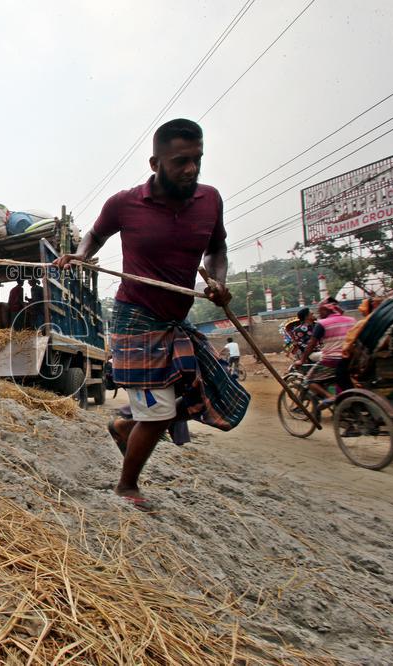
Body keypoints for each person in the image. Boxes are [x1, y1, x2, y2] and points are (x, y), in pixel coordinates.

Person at [53, 118, 249, 508]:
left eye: (197, 159)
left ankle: (126, 424)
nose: (191, 169)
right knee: (159, 414)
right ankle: (127, 485)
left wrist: (219, 281)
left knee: (199, 391)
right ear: (155, 163)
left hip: (176, 319)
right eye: (180, 161)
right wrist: (80, 255)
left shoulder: (210, 200)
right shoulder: (124, 203)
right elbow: (96, 234)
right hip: (135, 317)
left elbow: (217, 250)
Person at [294, 298, 356, 409]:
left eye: (319, 311)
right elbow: (305, 345)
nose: (317, 314)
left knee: (308, 380)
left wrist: (302, 360)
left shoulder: (321, 324)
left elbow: (312, 344)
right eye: (312, 313)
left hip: (331, 359)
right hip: (350, 358)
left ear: (326, 310)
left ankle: (330, 397)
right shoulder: (351, 320)